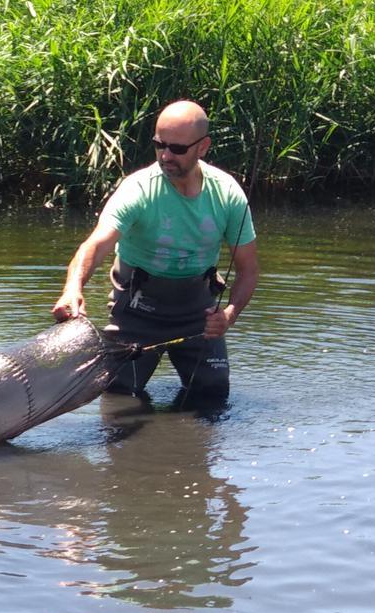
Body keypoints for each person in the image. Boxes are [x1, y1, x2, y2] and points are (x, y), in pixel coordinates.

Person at [52, 99, 258, 399]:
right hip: (137, 312)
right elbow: (95, 244)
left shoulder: (226, 194)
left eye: (177, 149)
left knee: (212, 395)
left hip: (198, 315)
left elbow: (248, 269)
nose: (165, 156)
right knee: (118, 398)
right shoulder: (139, 189)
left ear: (203, 147)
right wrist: (73, 287)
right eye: (159, 145)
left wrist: (228, 315)